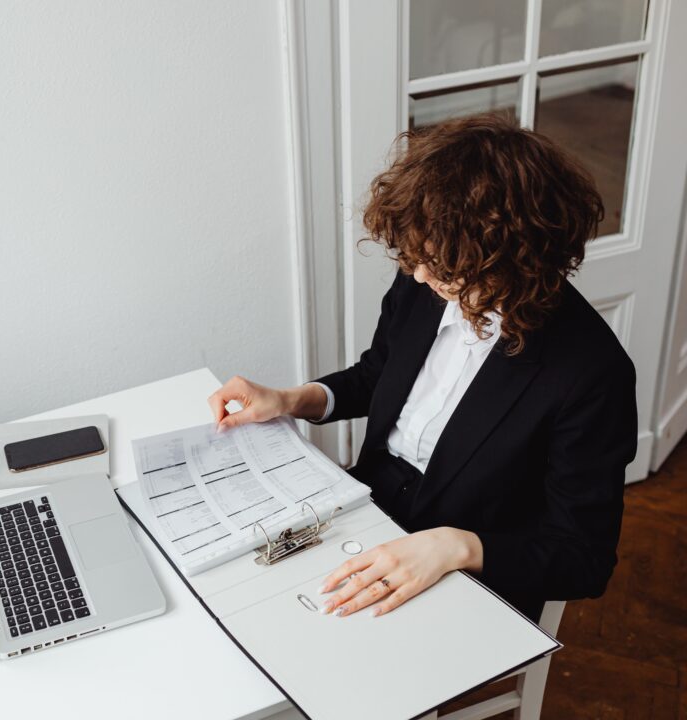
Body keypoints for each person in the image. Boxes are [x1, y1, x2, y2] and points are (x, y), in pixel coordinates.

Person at [208, 113, 637, 622]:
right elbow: (379, 373)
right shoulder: (430, 272)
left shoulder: (592, 372)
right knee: (240, 599)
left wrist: (457, 548)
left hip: (469, 566)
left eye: (442, 265)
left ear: (515, 260)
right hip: (368, 506)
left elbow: (582, 559)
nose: (417, 272)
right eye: (416, 257)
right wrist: (292, 400)